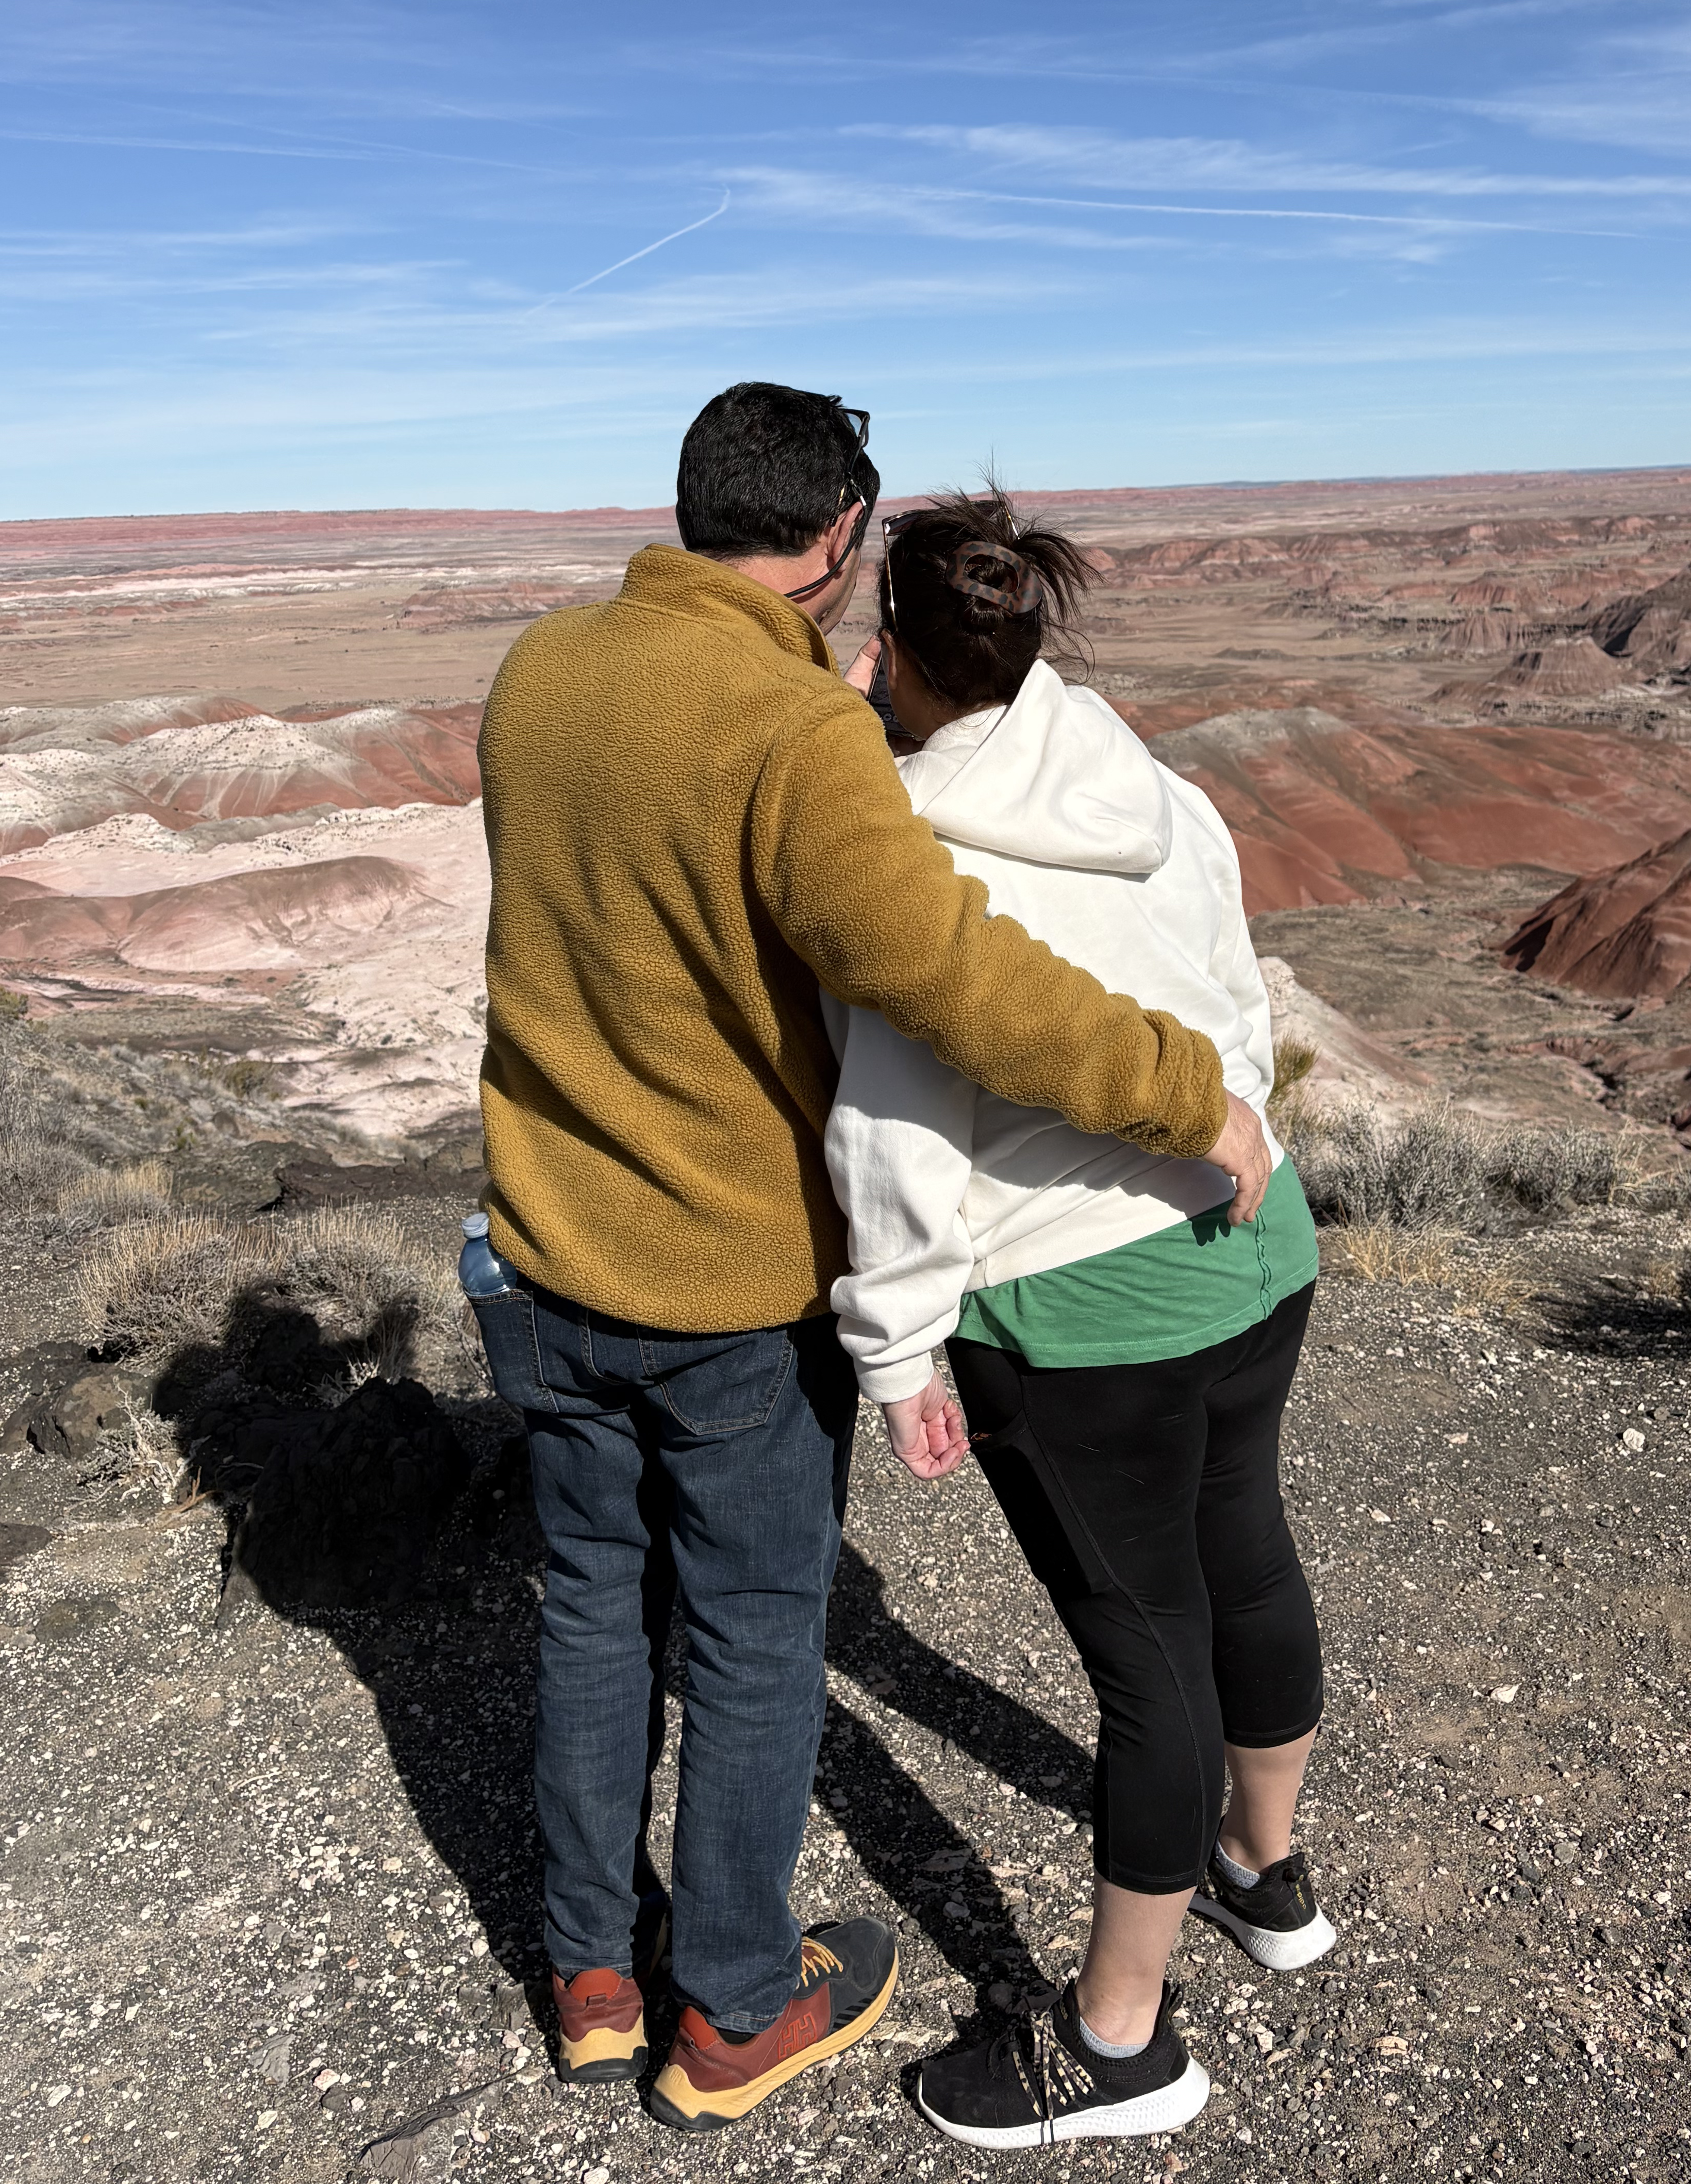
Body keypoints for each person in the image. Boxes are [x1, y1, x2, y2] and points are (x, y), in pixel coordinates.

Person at [468, 386, 1268, 2135]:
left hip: (541, 1256)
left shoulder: (540, 671)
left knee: (598, 1613)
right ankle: (735, 2009)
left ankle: (593, 1980)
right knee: (757, 1639)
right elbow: (951, 979)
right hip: (724, 1283)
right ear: (838, 541)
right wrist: (1185, 1100)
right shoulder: (792, 726)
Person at [822, 489, 1332, 2153]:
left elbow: (893, 1133)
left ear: (888, 648)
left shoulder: (905, 852)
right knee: (1242, 1556)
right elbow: (1236, 1003)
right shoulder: (1157, 784)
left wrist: (894, 1348)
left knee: (1146, 1649)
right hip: (1251, 1241)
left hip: (1076, 1298)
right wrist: (1238, 1151)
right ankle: (1268, 1874)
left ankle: (1117, 2045)